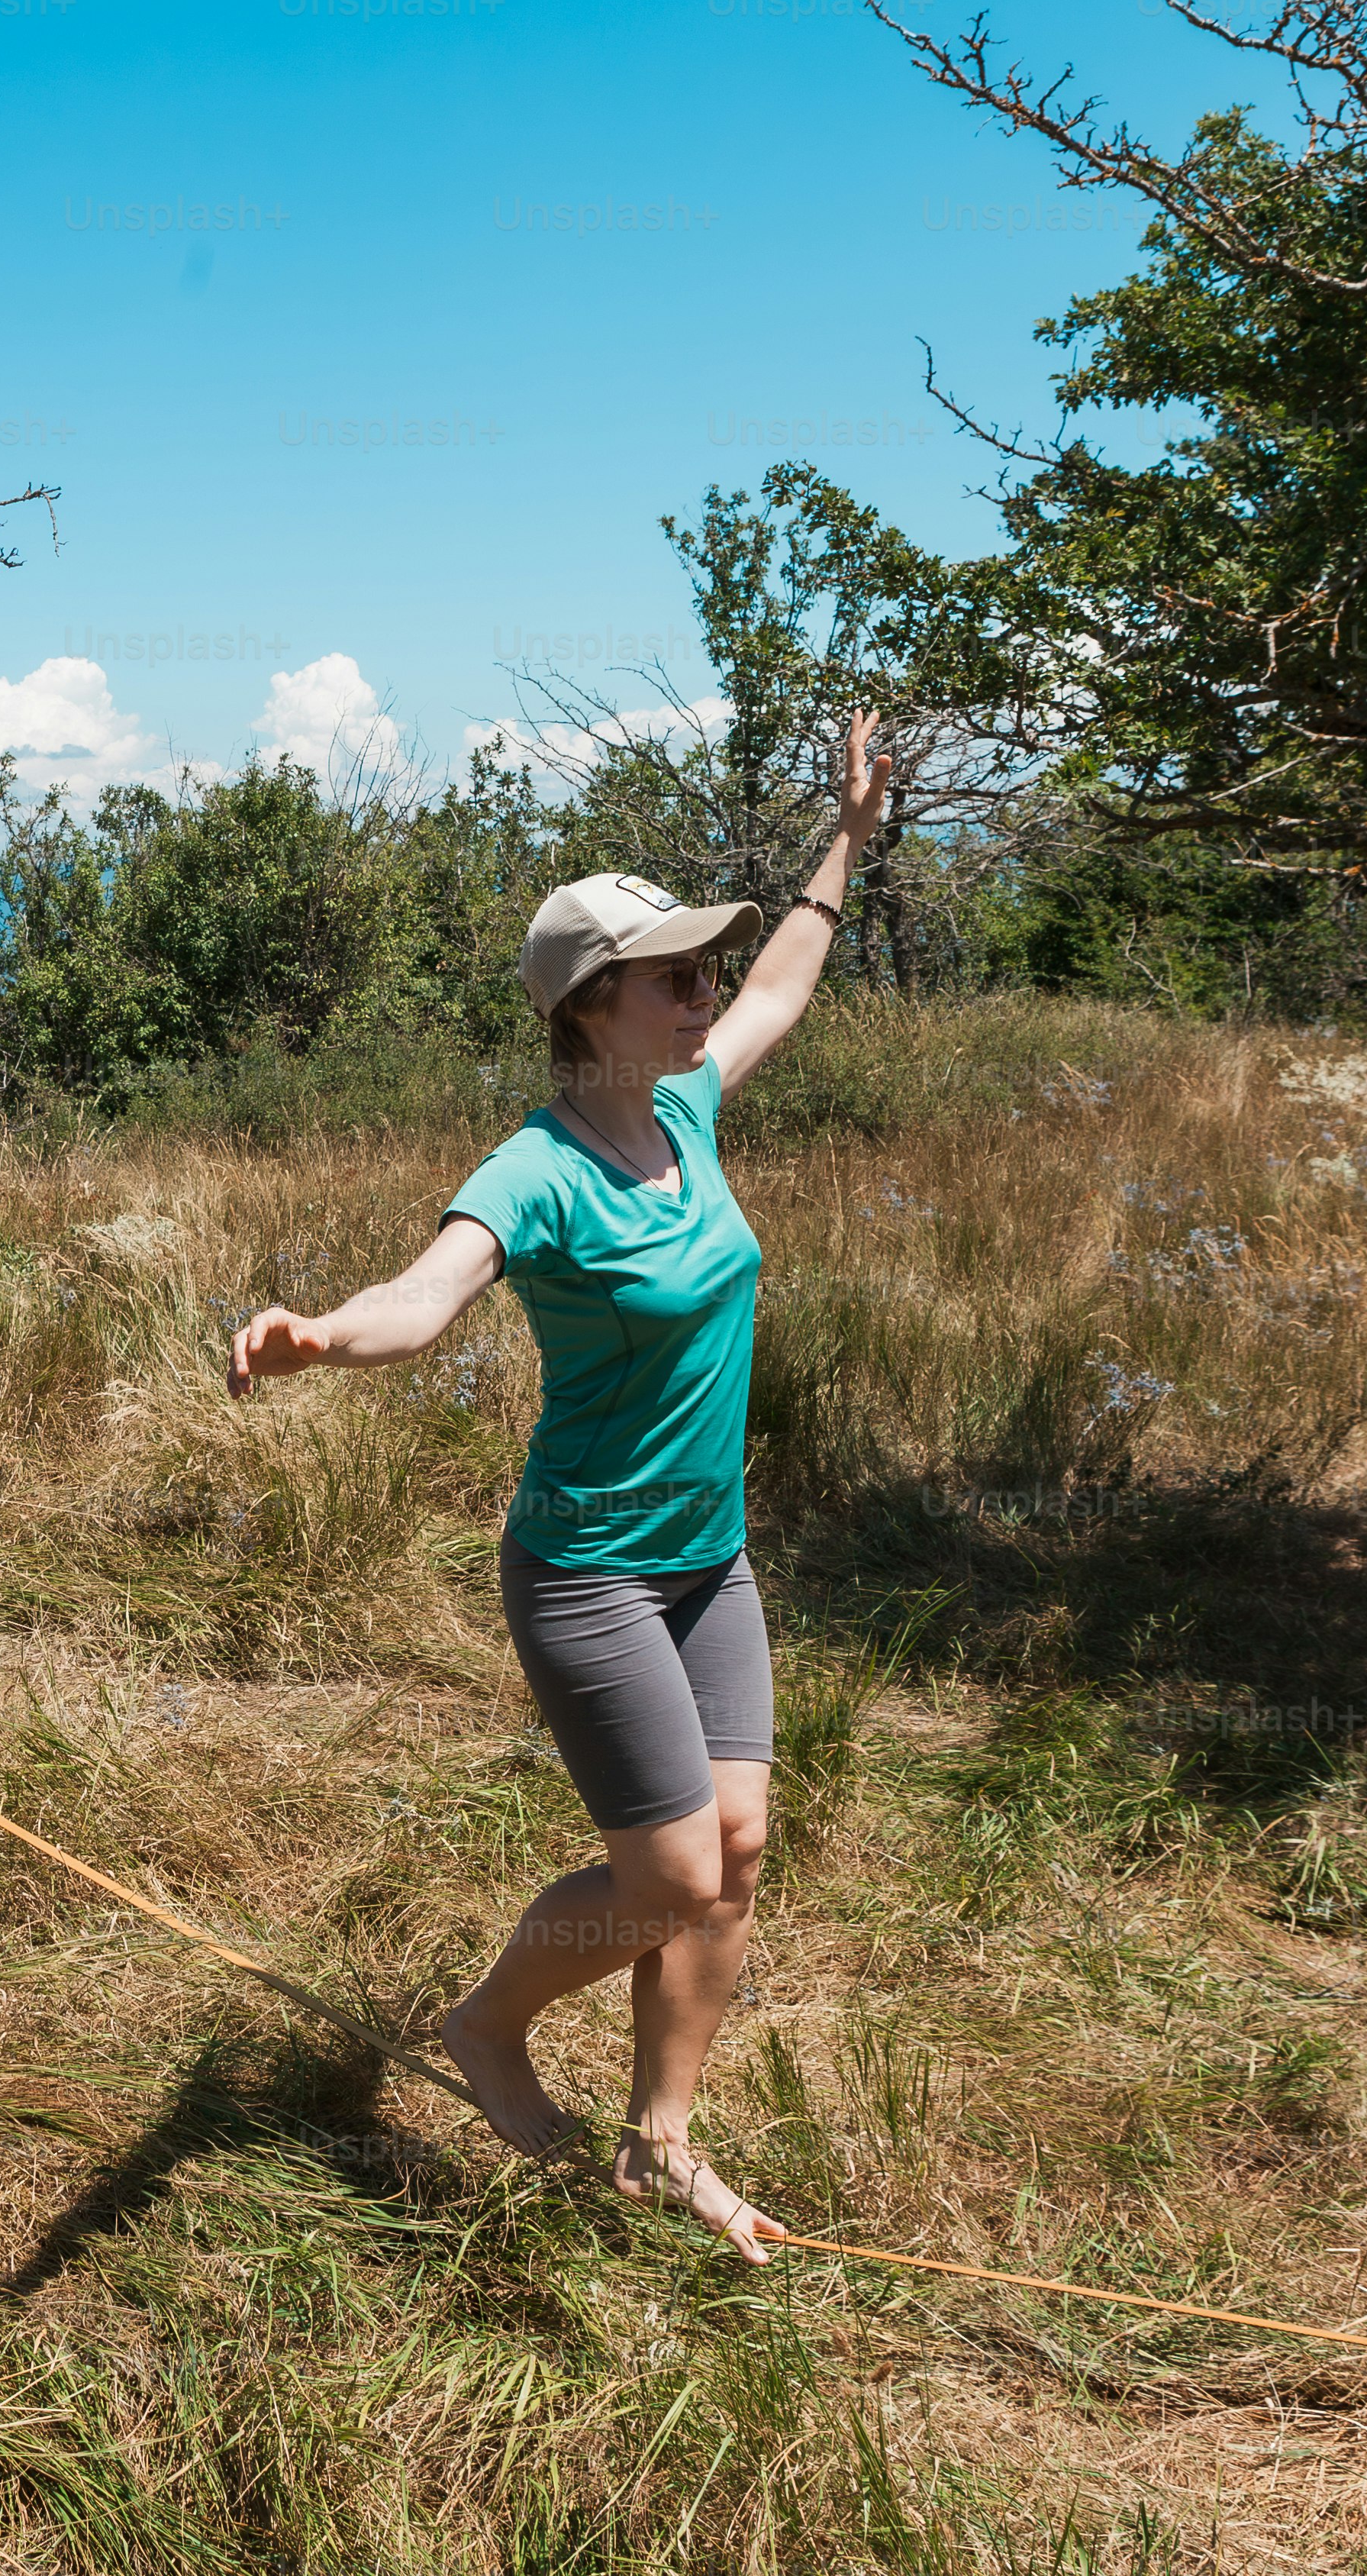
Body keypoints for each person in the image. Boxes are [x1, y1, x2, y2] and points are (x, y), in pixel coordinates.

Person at [227, 711, 895, 2261]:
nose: (704, 995)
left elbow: (787, 983)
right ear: (592, 1011)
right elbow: (427, 1293)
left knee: (732, 1852)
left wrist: (846, 838)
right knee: (660, 1873)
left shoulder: (687, 1107)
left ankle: (662, 2141)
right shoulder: (536, 1170)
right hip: (589, 1569)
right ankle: (488, 2031)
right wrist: (320, 1334)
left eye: (697, 975)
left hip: (706, 1562)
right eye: (676, 978)